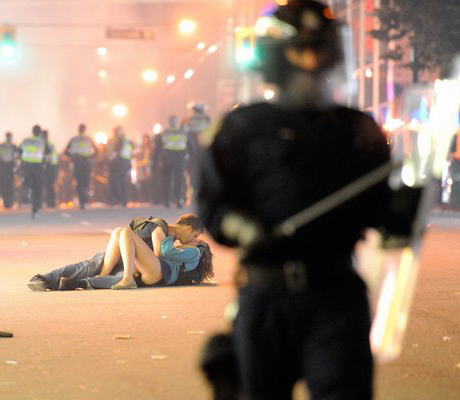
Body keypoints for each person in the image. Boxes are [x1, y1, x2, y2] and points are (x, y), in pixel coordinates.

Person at [197, 2, 397, 399]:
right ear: (277, 58)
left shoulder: (357, 130)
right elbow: (214, 207)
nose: (312, 64)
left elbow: (380, 211)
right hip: (266, 295)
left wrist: (403, 210)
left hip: (336, 294)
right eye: (302, 51)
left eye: (320, 49)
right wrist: (244, 227)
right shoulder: (241, 128)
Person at [27, 214, 206, 291]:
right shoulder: (163, 228)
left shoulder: (170, 236)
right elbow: (160, 253)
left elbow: (159, 255)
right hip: (129, 258)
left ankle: (51, 280)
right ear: (188, 228)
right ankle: (46, 279)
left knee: (93, 266)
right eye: (195, 235)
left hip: (132, 260)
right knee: (94, 264)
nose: (194, 239)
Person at [65, 123, 97, 210]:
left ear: (78, 129)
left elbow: (66, 152)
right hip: (87, 162)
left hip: (77, 162)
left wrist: (73, 156)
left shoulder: (74, 139)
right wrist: (91, 157)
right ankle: (85, 201)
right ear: (85, 129)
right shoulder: (89, 139)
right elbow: (96, 151)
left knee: (79, 182)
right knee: (86, 182)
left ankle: (82, 201)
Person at [183, 103, 211, 198]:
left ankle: (193, 196)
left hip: (191, 152)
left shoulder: (188, 119)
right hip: (204, 152)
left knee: (192, 174)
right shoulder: (206, 119)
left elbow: (184, 135)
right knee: (204, 173)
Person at [19, 125, 47, 218]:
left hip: (27, 166)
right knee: (38, 188)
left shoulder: (26, 141)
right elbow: (48, 154)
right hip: (38, 167)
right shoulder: (43, 142)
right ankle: (35, 210)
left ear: (32, 131)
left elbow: (18, 151)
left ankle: (28, 191)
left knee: (27, 183)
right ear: (39, 132)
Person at [161, 115, 187, 208]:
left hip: (167, 158)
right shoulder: (182, 132)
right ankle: (179, 200)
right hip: (179, 158)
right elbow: (190, 145)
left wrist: (156, 159)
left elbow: (159, 146)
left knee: (167, 180)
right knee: (179, 180)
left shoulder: (165, 132)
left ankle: (167, 201)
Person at [109, 126, 134, 207]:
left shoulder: (119, 141)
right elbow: (132, 151)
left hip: (120, 163)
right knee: (123, 182)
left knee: (118, 182)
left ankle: (120, 200)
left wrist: (108, 160)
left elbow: (116, 152)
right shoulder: (128, 140)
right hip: (127, 162)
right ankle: (124, 200)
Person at [0, 132, 17, 209]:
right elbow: (16, 157)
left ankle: (6, 202)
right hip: (10, 168)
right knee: (10, 185)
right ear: (10, 137)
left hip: (2, 168)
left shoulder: (1, 146)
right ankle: (10, 202)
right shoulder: (13, 146)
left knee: (3, 185)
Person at [43, 130, 59, 208]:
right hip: (53, 166)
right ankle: (51, 202)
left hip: (48, 167)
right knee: (50, 185)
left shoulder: (44, 144)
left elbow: (48, 157)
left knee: (47, 185)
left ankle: (49, 202)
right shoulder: (50, 144)